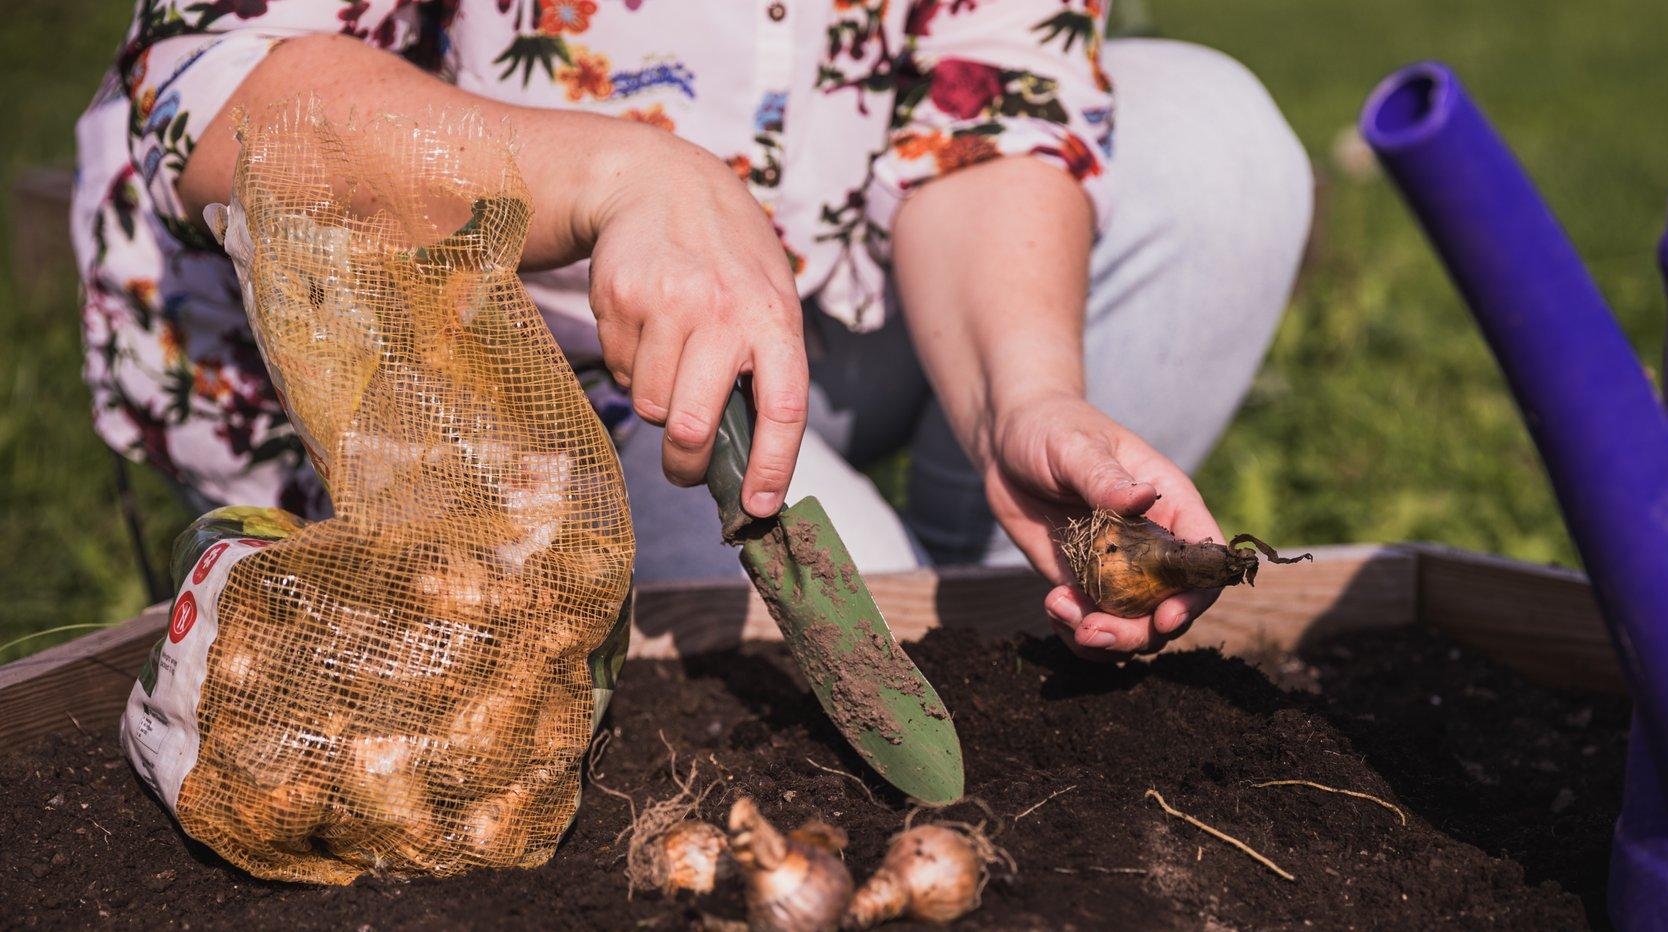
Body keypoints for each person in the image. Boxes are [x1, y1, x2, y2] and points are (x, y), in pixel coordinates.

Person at [74, 1, 1311, 658]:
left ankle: (993, 609)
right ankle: (898, 582)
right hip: (485, 337)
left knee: (1217, 153)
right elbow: (216, 90)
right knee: (851, 606)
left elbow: (991, 98)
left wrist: (1022, 399)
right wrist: (625, 179)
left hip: (811, 269)